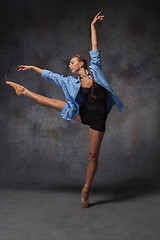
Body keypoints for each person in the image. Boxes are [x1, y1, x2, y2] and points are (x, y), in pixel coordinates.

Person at [6, 12, 123, 208]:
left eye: (72, 62)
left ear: (82, 63)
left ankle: (86, 189)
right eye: (69, 63)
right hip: (83, 113)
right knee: (53, 102)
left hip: (98, 120)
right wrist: (34, 67)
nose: (69, 65)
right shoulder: (69, 81)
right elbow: (51, 76)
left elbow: (95, 47)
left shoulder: (96, 68)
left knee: (93, 156)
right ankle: (23, 90)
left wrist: (92, 27)